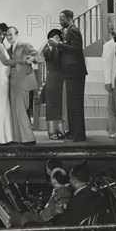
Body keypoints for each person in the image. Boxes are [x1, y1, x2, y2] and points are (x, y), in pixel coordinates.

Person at [49, 10, 88, 142]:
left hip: (75, 72)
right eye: (60, 19)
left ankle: (79, 134)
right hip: (70, 72)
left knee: (75, 103)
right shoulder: (67, 31)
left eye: (62, 19)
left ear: (70, 18)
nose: (60, 21)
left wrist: (58, 45)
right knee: (71, 104)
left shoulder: (74, 31)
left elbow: (77, 49)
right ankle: (73, 131)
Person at [6, 26, 42, 146]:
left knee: (21, 109)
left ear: (17, 34)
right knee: (14, 109)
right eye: (7, 35)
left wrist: (32, 59)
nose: (9, 37)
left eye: (11, 34)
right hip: (12, 81)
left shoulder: (25, 46)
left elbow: (40, 58)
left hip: (23, 80)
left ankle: (28, 138)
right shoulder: (8, 49)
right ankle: (17, 137)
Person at [42, 29, 66, 140]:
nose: (56, 39)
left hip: (61, 79)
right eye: (54, 38)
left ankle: (60, 129)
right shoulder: (47, 49)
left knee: (60, 104)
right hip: (52, 79)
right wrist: (51, 46)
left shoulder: (62, 49)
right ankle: (51, 130)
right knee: (51, 105)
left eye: (58, 37)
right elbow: (48, 57)